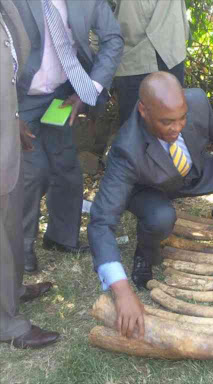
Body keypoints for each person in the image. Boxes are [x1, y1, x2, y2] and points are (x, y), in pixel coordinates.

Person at [88, 72, 213, 338]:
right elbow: (101, 221)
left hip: (193, 172)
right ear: (144, 111)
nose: (177, 127)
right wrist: (120, 290)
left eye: (182, 118)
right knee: (161, 218)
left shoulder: (198, 103)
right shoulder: (126, 149)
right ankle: (144, 257)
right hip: (150, 187)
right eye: (167, 122)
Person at [14, 0, 124, 273]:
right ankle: (21, 248)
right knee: (32, 173)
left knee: (66, 167)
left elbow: (113, 39)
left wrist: (89, 89)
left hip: (61, 94)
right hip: (18, 98)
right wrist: (9, 116)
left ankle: (61, 238)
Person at [0, 0, 58, 349]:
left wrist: (14, 118)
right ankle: (7, 322)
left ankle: (13, 291)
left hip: (8, 134)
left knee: (11, 221)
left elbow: (13, 63)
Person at [113, 0, 189, 126]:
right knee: (133, 128)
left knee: (173, 124)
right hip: (132, 59)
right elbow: (97, 12)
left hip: (170, 51)